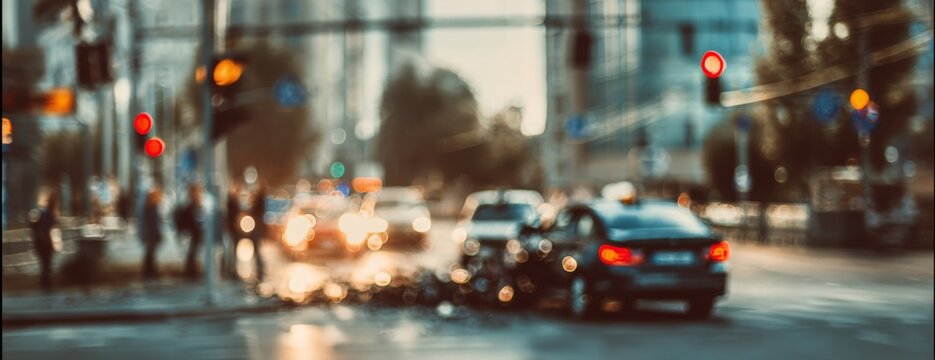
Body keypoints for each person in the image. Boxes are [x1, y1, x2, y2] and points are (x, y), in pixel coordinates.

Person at [30, 191, 59, 291]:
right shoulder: (49, 214)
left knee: (44, 264)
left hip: (41, 243)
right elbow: (54, 228)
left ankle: (45, 284)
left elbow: (33, 228)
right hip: (46, 243)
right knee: (47, 264)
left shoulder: (37, 213)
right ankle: (46, 285)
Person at [180, 184, 205, 279]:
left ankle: (193, 271)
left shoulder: (199, 206)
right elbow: (186, 221)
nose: (198, 195)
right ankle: (190, 272)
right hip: (191, 234)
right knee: (191, 253)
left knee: (195, 253)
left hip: (197, 233)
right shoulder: (189, 207)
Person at [141, 188, 164, 278]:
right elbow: (152, 223)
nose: (159, 198)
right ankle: (149, 270)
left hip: (152, 234)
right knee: (150, 252)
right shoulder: (150, 208)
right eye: (157, 196)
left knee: (151, 253)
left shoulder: (152, 207)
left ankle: (150, 270)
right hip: (151, 234)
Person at [248, 184, 267, 281]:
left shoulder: (258, 201)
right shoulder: (261, 200)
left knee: (257, 251)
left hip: (256, 229)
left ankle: (260, 271)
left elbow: (253, 213)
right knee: (257, 251)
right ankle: (260, 270)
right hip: (257, 229)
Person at [224, 184, 242, 279]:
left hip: (233, 229)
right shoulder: (232, 202)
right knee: (232, 250)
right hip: (233, 229)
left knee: (233, 250)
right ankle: (232, 271)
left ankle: (232, 270)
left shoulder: (232, 201)